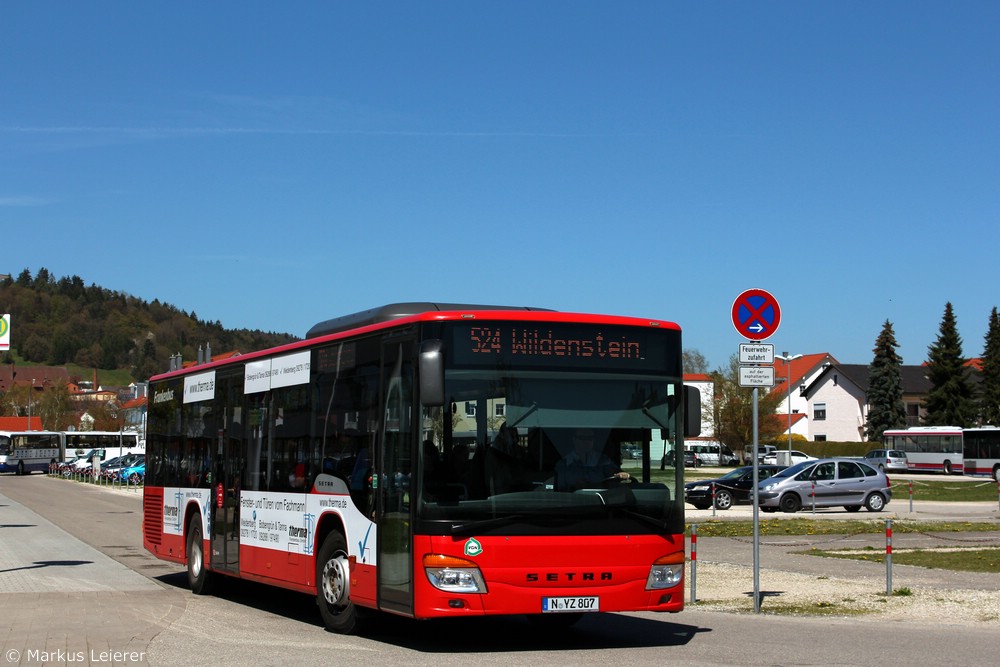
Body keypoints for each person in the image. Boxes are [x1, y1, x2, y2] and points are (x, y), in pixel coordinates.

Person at [555, 428, 630, 490]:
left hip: (599, 501)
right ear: (574, 439)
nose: (587, 441)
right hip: (574, 502)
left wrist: (622, 474)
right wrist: (575, 486)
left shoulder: (603, 460)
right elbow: (559, 489)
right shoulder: (564, 463)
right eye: (582, 438)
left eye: (590, 438)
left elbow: (615, 473)